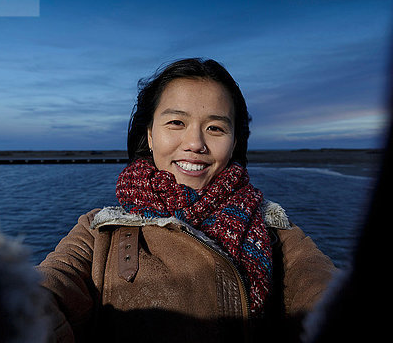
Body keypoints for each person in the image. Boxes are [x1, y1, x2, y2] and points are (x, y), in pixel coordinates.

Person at [37, 58, 337, 343]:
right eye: (176, 122)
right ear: (151, 135)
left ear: (234, 142)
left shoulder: (274, 229)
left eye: (215, 128)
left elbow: (319, 285)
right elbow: (48, 290)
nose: (195, 143)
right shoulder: (100, 230)